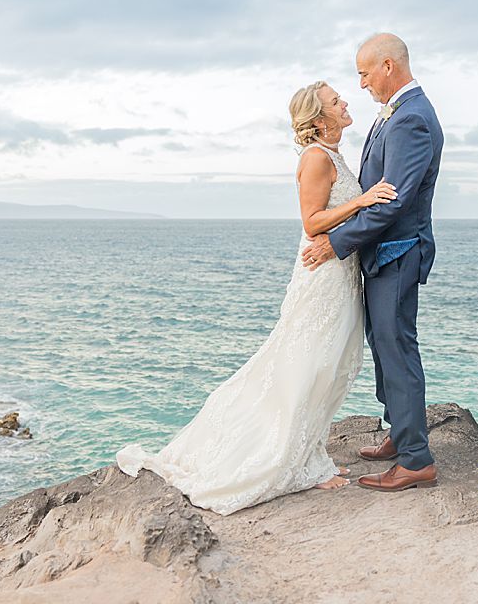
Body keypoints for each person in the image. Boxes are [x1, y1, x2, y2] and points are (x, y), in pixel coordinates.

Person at [115, 81, 398, 514]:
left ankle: (308, 454)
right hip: (322, 277)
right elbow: (312, 220)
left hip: (340, 275)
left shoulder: (334, 154)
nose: (345, 102)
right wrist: (361, 200)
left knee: (327, 365)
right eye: (336, 100)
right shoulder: (316, 158)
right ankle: (285, 460)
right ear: (320, 119)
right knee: (304, 363)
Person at [300, 33, 444, 492]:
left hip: (397, 251)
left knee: (397, 350)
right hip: (383, 252)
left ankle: (415, 460)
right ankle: (401, 436)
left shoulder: (411, 120)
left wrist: (335, 243)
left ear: (387, 66)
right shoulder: (398, 113)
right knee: (384, 347)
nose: (360, 84)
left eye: (363, 73)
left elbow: (392, 204)